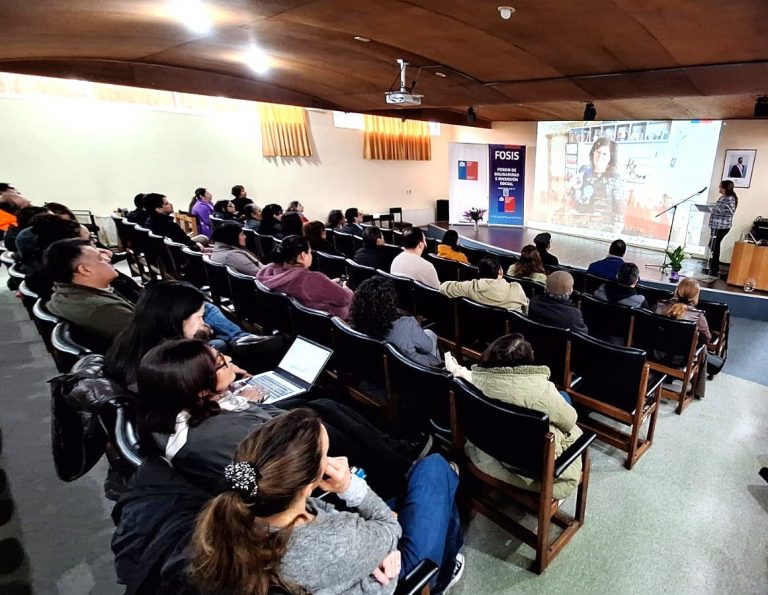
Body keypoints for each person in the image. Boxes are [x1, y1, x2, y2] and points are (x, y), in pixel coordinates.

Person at [188, 408, 464, 594]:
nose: (335, 460)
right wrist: (349, 486)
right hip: (389, 575)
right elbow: (389, 527)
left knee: (428, 499)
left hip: (347, 559)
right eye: (326, 456)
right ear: (308, 484)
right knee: (435, 469)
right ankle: (438, 579)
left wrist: (366, 550)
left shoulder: (238, 512)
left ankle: (445, 565)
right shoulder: (331, 540)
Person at [444, 334, 582, 500]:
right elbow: (570, 421)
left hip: (490, 450)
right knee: (564, 400)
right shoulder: (542, 390)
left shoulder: (475, 379)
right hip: (531, 463)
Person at [104, 280, 284, 389]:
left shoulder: (134, 340)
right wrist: (237, 393)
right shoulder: (167, 364)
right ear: (177, 320)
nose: (204, 323)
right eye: (199, 317)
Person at [44, 238, 129, 349]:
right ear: (85, 270)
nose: (108, 258)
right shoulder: (104, 309)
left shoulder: (61, 293)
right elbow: (148, 337)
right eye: (100, 258)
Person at [256, 235, 354, 319]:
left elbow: (306, 289)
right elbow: (345, 299)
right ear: (303, 255)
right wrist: (345, 288)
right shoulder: (308, 278)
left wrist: (328, 284)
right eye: (310, 252)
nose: (311, 255)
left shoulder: (269, 273)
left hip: (292, 323)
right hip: (323, 324)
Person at [352, 276, 441, 367]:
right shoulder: (407, 324)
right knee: (430, 335)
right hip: (414, 368)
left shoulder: (359, 322)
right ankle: (441, 367)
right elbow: (427, 347)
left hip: (381, 366)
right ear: (391, 301)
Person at [656, 277, 711, 399]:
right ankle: (698, 391)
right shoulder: (698, 317)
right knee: (704, 349)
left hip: (655, 354)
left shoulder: (660, 306)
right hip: (680, 359)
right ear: (695, 296)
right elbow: (707, 339)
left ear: (677, 290)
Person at [567, 137, 625, 233]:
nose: (600, 156)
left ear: (610, 158)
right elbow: (575, 195)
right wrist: (572, 208)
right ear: (593, 153)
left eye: (605, 153)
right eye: (598, 152)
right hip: (579, 226)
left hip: (601, 230)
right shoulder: (583, 170)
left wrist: (616, 231)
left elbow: (619, 208)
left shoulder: (615, 177)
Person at [440, 254, 528, 313]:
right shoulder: (516, 289)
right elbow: (525, 311)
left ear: (479, 272)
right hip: (510, 334)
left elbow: (443, 287)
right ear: (500, 272)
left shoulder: (470, 287)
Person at [143, 193, 207, 248]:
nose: (171, 204)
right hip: (180, 253)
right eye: (166, 203)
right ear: (159, 209)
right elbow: (186, 243)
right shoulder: (170, 226)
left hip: (164, 253)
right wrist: (200, 248)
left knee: (202, 238)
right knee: (203, 239)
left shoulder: (149, 221)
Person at [708, 180, 738, 276]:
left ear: (725, 188)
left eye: (720, 187)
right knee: (713, 244)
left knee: (716, 245)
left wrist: (717, 209)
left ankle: (715, 267)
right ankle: (712, 264)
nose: (719, 188)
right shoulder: (722, 197)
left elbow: (730, 211)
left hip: (722, 226)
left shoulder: (730, 199)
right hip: (715, 225)